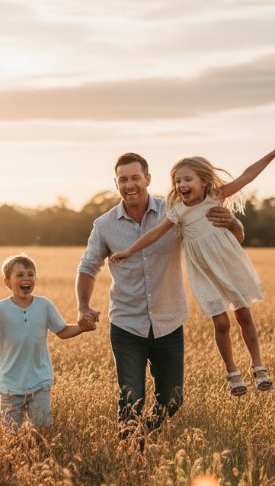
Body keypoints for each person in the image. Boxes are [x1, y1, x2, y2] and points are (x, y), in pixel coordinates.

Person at [76, 152, 245, 440]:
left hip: (169, 322)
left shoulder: (175, 212)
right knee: (131, 398)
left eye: (135, 178)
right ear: (116, 182)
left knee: (173, 399)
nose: (130, 185)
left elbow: (228, 240)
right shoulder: (104, 225)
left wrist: (233, 223)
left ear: (148, 179)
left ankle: (145, 435)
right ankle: (130, 451)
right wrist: (83, 306)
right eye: (123, 179)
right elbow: (88, 267)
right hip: (127, 324)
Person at [110, 136, 275, 396]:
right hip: (203, 272)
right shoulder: (179, 211)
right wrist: (128, 251)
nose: (181, 184)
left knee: (244, 315)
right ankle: (232, 373)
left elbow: (246, 176)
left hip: (227, 264)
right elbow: (154, 234)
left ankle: (259, 366)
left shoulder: (216, 197)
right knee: (221, 323)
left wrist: (271, 155)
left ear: (203, 181)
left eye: (187, 179)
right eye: (178, 180)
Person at [0, 254, 87, 433]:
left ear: (35, 279)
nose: (26, 279)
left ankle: (40, 461)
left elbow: (61, 331)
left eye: (30, 275)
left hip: (40, 383)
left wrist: (82, 327)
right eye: (20, 275)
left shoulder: (44, 305)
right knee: (11, 437)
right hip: (10, 386)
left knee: (43, 433)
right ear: (7, 282)